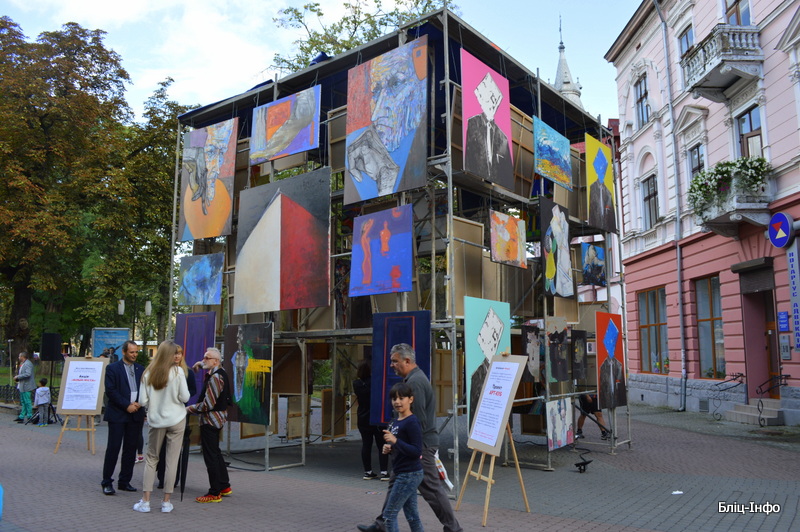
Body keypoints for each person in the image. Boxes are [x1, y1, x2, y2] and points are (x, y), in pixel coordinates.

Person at [358, 343, 462, 532]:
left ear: (407, 361)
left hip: (421, 445)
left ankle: (453, 528)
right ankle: (382, 524)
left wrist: (402, 444)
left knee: (431, 489)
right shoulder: (414, 379)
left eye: (394, 361)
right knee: (396, 482)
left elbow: (417, 421)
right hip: (416, 444)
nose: (391, 365)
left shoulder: (415, 383)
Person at [133, 340, 190, 513]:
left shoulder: (148, 373)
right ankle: (166, 502)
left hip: (156, 420)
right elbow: (185, 397)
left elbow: (142, 401)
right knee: (172, 460)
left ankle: (146, 501)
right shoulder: (178, 372)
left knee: (152, 459)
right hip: (177, 419)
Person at [186, 347, 232, 503]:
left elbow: (208, 405)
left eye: (207, 358)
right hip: (217, 419)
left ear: (216, 361)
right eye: (204, 357)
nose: (204, 359)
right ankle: (224, 486)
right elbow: (205, 363)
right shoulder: (219, 371)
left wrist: (188, 409)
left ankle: (214, 492)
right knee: (216, 452)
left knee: (210, 456)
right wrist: (199, 364)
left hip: (210, 420)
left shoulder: (215, 378)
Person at [377, 382, 424, 532]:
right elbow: (401, 446)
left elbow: (416, 451)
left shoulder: (412, 422)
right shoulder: (395, 421)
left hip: (409, 474)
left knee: (389, 515)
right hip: (401, 472)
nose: (397, 402)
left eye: (401, 398)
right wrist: (390, 448)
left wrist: (396, 441)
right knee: (412, 516)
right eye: (394, 399)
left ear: (411, 399)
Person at [101, 340, 145, 495]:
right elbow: (111, 390)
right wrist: (127, 405)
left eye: (136, 352)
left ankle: (125, 481)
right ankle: (107, 482)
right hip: (118, 414)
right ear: (124, 352)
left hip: (136, 414)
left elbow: (145, 388)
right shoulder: (112, 368)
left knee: (130, 449)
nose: (134, 355)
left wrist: (140, 403)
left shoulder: (141, 369)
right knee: (113, 448)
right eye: (132, 352)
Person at [156, 344, 196, 489]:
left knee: (175, 449)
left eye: (179, 353)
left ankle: (173, 479)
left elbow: (192, 390)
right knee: (161, 448)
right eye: (174, 353)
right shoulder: (162, 371)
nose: (177, 356)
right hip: (163, 414)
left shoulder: (187, 372)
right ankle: (162, 478)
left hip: (179, 413)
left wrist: (180, 397)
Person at [353, 359, 389, 481]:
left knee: (366, 445)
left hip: (362, 417)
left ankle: (368, 471)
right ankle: (384, 472)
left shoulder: (356, 384)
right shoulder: (375, 382)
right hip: (376, 417)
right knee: (381, 444)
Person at [14, 352, 35, 423]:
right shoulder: (23, 363)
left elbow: (28, 374)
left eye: (19, 356)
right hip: (22, 385)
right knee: (23, 401)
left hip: (27, 386)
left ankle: (29, 416)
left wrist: (18, 376)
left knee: (27, 401)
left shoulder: (28, 364)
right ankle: (22, 416)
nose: (18, 358)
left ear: (22, 357)